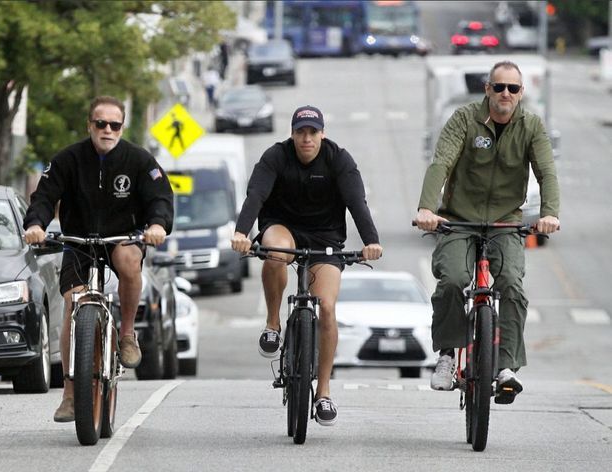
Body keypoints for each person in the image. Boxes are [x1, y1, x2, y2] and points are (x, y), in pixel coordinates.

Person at [414, 61, 560, 403]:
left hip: (506, 221)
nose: (505, 94)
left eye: (512, 88)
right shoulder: (464, 119)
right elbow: (441, 163)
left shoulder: (532, 126)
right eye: (499, 87)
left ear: (521, 93)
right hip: (459, 220)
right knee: (451, 278)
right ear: (487, 90)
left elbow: (547, 173)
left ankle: (506, 366)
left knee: (511, 281)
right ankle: (448, 354)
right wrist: (426, 209)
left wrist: (550, 214)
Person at [23, 96, 173, 422]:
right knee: (72, 302)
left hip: (121, 238)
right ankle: (68, 393)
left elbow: (160, 197)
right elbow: (45, 195)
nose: (107, 130)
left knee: (130, 262)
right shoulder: (67, 160)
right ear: (89, 125)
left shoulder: (139, 160)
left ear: (122, 127)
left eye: (114, 124)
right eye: (100, 123)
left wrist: (158, 225)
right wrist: (35, 224)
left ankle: (128, 334)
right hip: (78, 241)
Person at [231, 105, 382, 426]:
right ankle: (273, 324)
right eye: (301, 132)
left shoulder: (339, 159)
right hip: (282, 227)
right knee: (275, 253)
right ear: (292, 134)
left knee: (326, 307)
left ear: (322, 134)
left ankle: (323, 392)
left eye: (313, 132)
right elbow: (255, 195)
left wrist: (371, 241)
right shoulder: (275, 156)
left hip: (325, 237)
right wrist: (241, 232)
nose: (307, 138)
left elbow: (357, 202)